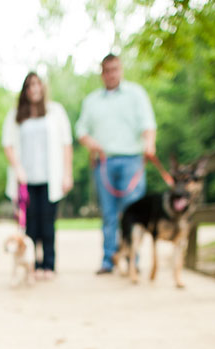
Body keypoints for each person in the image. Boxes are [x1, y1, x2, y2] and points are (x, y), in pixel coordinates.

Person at [76, 54, 157, 274]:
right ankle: (108, 259)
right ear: (102, 73)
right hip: (104, 162)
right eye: (107, 70)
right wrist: (92, 143)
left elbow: (148, 124)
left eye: (115, 69)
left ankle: (133, 259)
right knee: (109, 215)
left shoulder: (136, 94)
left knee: (133, 214)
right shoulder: (91, 101)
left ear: (121, 70)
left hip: (132, 160)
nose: (111, 74)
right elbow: (81, 131)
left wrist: (149, 144)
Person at [2, 72, 73, 279]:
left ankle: (48, 265)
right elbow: (8, 144)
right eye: (30, 85)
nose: (34, 89)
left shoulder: (55, 111)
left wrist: (67, 174)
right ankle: (30, 266)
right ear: (25, 90)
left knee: (48, 224)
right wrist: (18, 169)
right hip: (25, 180)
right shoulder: (15, 114)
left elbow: (66, 144)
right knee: (29, 226)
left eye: (37, 84)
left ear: (42, 87)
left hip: (50, 178)